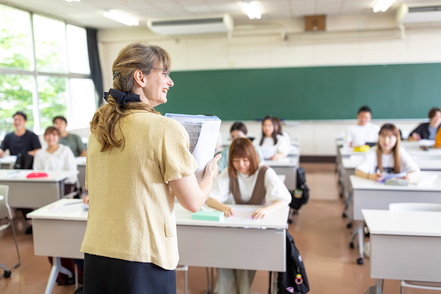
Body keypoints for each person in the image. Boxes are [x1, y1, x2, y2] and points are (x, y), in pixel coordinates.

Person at [80, 43, 221, 294]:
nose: (171, 82)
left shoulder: (99, 125)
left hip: (96, 252)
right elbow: (193, 202)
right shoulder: (164, 128)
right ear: (140, 77)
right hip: (142, 255)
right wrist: (210, 174)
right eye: (165, 73)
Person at [207, 138, 291, 294]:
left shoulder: (265, 171)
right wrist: (223, 206)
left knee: (242, 255)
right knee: (223, 252)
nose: (241, 164)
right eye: (236, 160)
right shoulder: (229, 173)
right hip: (237, 226)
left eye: (245, 160)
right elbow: (210, 198)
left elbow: (285, 199)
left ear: (252, 157)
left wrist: (267, 210)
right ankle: (226, 291)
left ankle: (241, 290)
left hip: (257, 230)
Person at [355, 124, 420, 182]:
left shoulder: (401, 152)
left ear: (396, 139)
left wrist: (408, 177)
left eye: (390, 137)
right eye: (383, 136)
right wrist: (371, 176)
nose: (386, 140)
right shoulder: (372, 152)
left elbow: (416, 171)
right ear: (379, 137)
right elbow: (358, 171)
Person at [33, 126, 78, 194]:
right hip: (45, 185)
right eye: (48, 134)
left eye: (54, 135)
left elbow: (71, 170)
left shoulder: (65, 150)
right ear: (44, 137)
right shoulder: (39, 153)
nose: (51, 137)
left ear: (58, 137)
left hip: (64, 185)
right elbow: (36, 171)